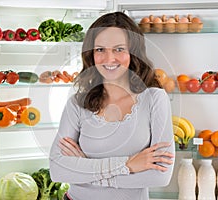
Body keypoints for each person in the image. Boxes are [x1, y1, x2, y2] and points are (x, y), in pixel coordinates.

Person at [49, 11, 175, 200]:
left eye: (119, 49)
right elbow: (58, 169)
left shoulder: (154, 99)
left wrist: (88, 172)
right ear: (91, 54)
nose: (109, 59)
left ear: (133, 52)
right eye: (100, 49)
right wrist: (128, 165)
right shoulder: (77, 103)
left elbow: (161, 175)